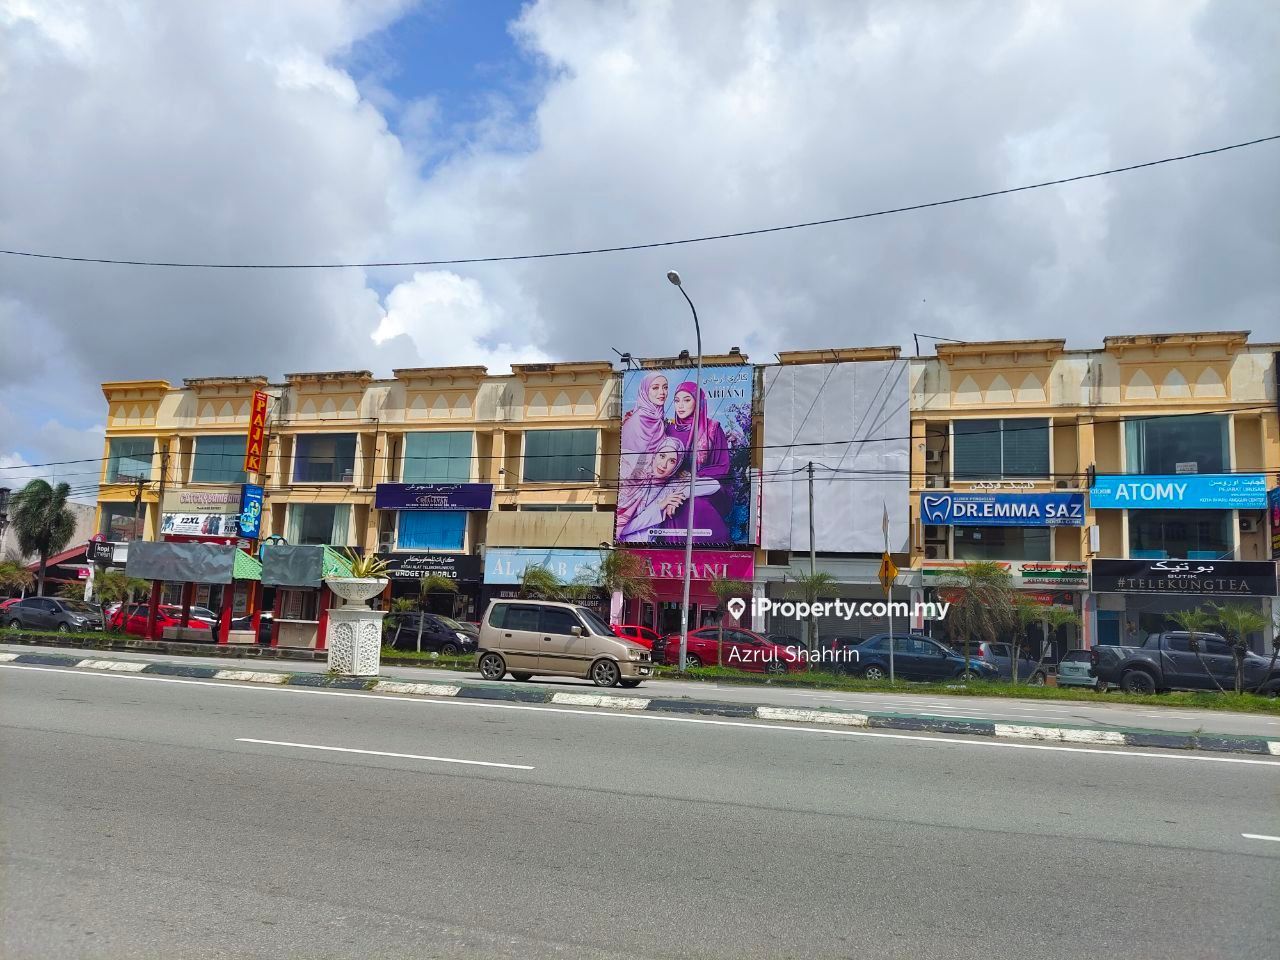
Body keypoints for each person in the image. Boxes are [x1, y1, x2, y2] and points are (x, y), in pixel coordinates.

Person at [617, 435, 721, 541]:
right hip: (623, 547)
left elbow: (714, 485)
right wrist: (661, 506)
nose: (663, 465)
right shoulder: (636, 475)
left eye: (672, 461)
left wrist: (680, 495)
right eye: (662, 456)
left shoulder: (673, 484)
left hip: (648, 549)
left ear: (677, 465)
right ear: (655, 455)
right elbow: (623, 529)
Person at [620, 372, 668, 480]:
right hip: (636, 484)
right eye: (655, 388)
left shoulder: (658, 421)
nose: (662, 392)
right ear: (645, 391)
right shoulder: (637, 420)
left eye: (665, 387)